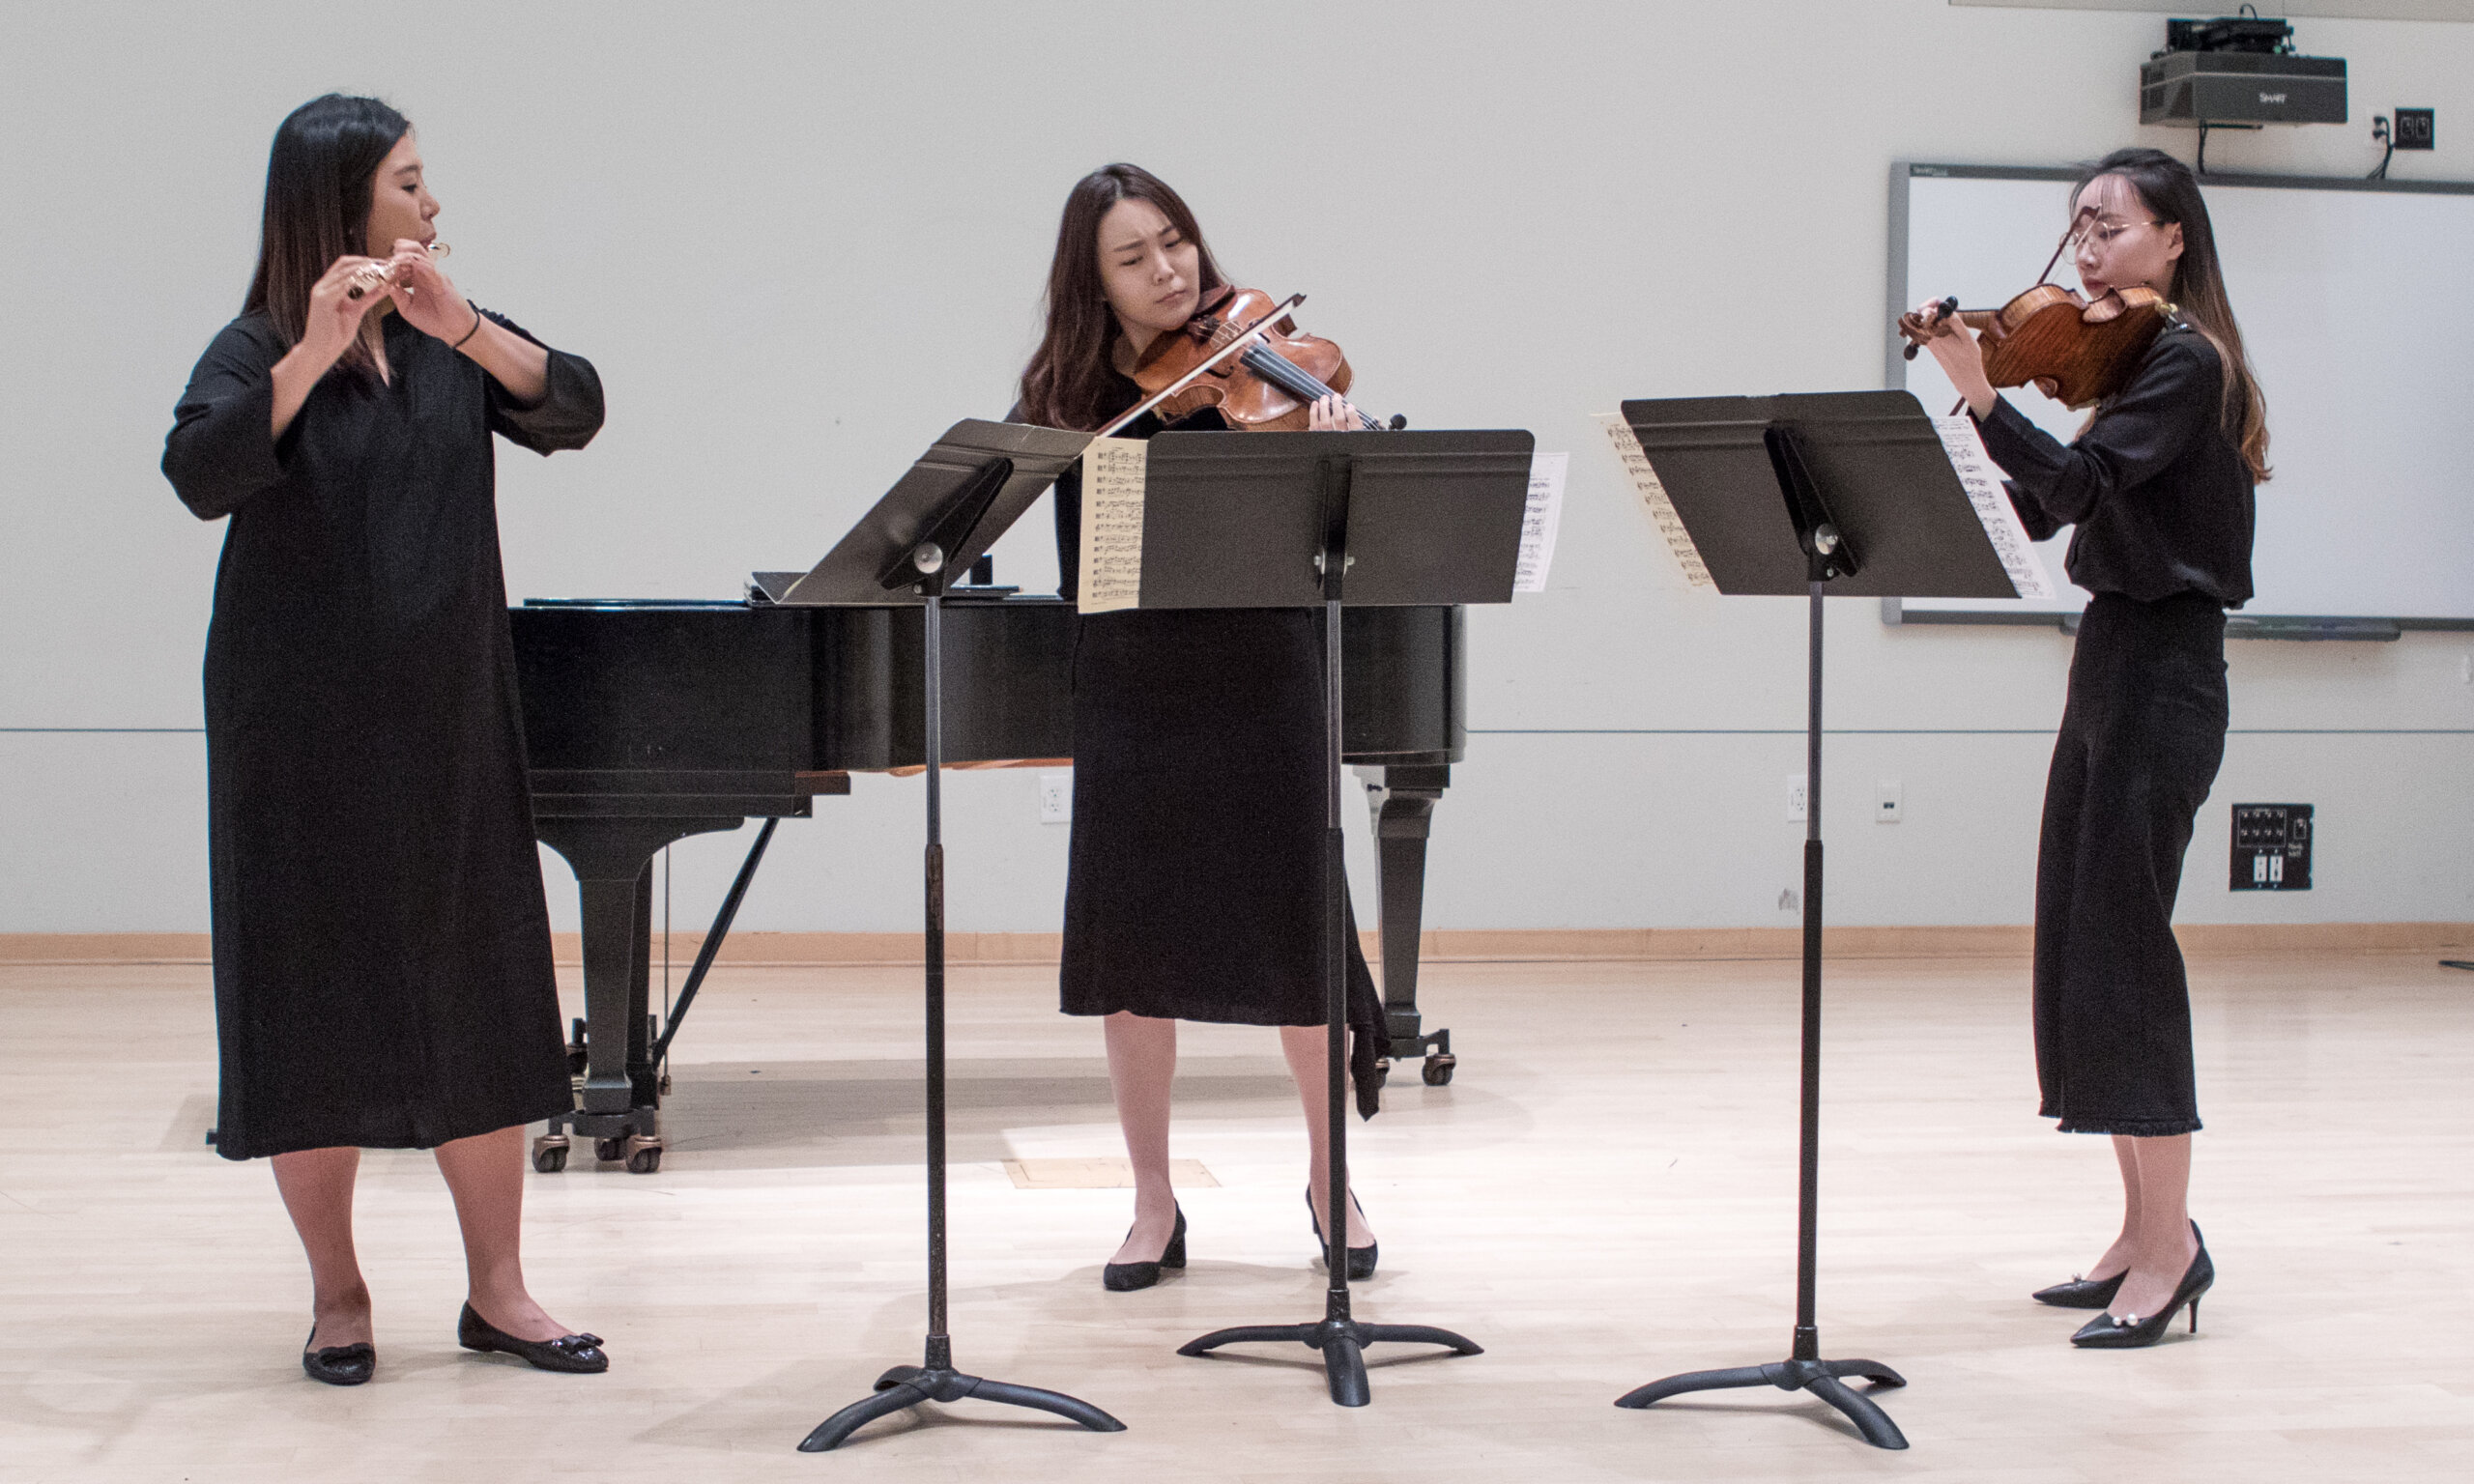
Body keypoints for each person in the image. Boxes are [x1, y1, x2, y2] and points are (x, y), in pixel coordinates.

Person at [161, 95, 609, 1384]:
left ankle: (501, 1293)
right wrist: (314, 348)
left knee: (481, 991)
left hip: (449, 715)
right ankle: (340, 1295)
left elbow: (572, 404)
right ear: (342, 199)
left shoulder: (450, 335)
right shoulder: (257, 344)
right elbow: (201, 473)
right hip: (291, 725)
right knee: (309, 1003)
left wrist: (458, 323)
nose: (431, 204)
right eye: (410, 182)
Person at [1913, 147, 2267, 1349]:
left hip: (2167, 669)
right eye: (2075, 228)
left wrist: (1982, 393)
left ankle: (2171, 1251)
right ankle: (2137, 1228)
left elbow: (2066, 489)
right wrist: (1990, 406)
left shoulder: (2183, 361)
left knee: (2122, 949)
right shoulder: (2127, 365)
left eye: (2107, 226)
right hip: (2113, 657)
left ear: (2174, 238)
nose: (2085, 249)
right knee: (2079, 933)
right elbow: (2053, 502)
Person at [1015, 163, 1390, 1291]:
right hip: (1138, 684)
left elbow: (1343, 543)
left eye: (1174, 242)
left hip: (1267, 677)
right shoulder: (1073, 401)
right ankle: (1151, 1204)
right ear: (1094, 285)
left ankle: (1333, 1184)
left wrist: (1337, 454)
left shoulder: (1270, 365)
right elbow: (1090, 561)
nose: (1168, 270)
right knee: (1134, 958)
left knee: (1298, 943)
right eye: (1134, 258)